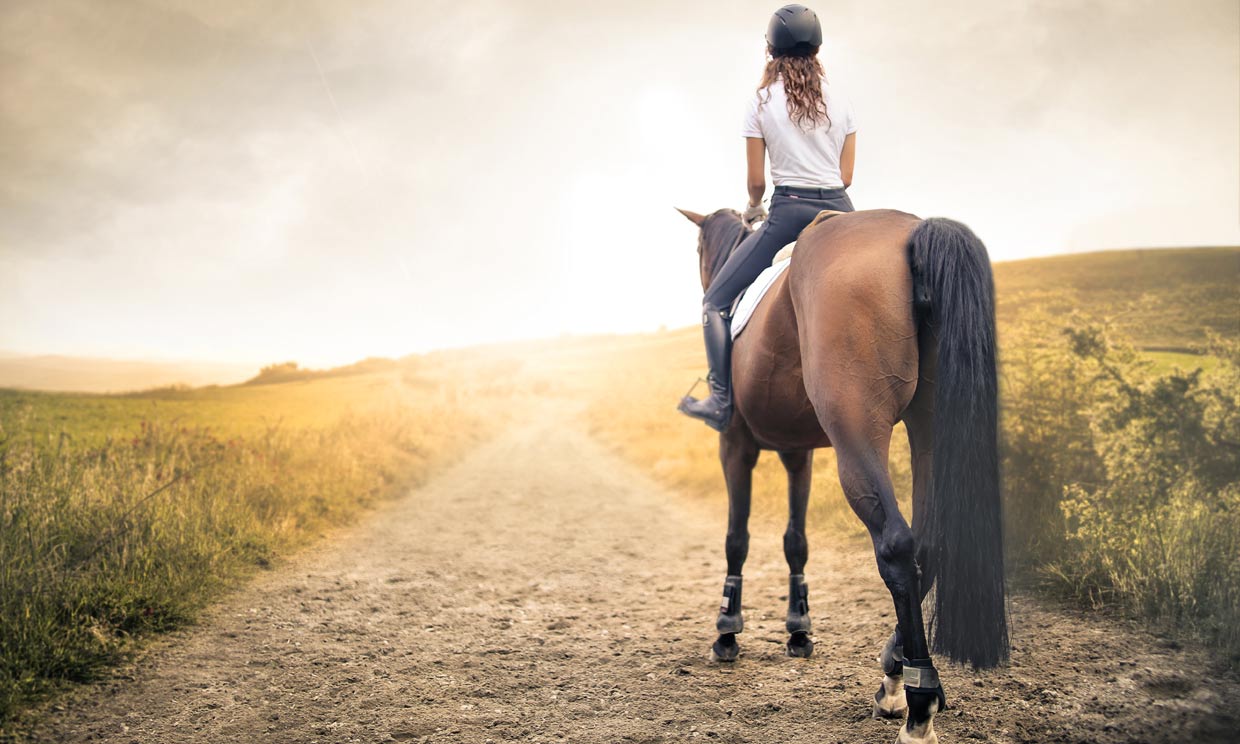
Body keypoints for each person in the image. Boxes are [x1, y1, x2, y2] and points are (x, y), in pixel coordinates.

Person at [678, 3, 857, 432]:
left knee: (715, 303)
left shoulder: (760, 103)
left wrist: (754, 208)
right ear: (817, 49)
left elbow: (756, 183)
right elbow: (846, 178)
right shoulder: (842, 103)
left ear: (769, 50)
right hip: (841, 211)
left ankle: (720, 401)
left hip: (789, 212)